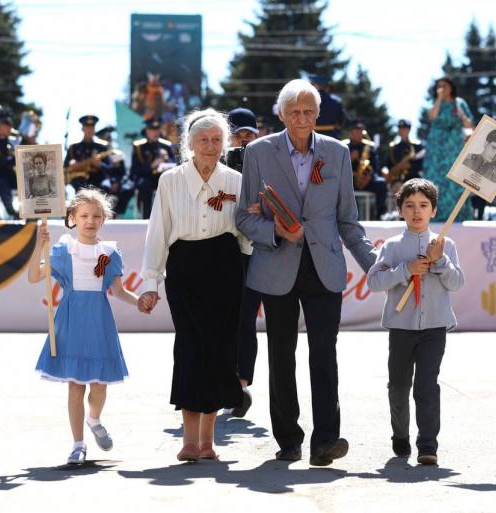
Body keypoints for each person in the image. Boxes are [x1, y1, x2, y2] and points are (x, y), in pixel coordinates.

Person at [236, 78, 377, 466]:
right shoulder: (258, 152)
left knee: (324, 355)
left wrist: (375, 266)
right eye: (294, 112)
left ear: (318, 114)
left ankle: (325, 441)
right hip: (275, 265)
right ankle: (288, 439)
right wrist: (276, 231)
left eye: (309, 111)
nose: (302, 118)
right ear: (281, 114)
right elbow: (244, 218)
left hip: (324, 268)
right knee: (281, 356)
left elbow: (348, 220)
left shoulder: (337, 153)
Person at [138, 108, 254, 462]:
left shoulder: (236, 180)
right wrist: (150, 282)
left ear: (226, 143)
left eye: (217, 139)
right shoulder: (170, 180)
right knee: (191, 348)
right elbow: (158, 232)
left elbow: (246, 235)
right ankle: (189, 440)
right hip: (185, 269)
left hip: (226, 267)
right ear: (189, 143)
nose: (210, 145)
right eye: (203, 139)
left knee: (221, 349)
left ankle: (207, 441)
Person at [28, 188, 139, 465]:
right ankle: (78, 444)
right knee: (76, 386)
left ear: (104, 219)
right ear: (73, 218)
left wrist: (140, 302)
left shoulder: (109, 252)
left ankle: (94, 419)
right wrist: (38, 246)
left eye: (96, 216)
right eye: (84, 215)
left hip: (99, 322)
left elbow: (119, 291)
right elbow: (34, 276)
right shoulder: (62, 250)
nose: (90, 221)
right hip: (71, 322)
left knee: (99, 386)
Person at [367, 178, 464, 465]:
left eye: (423, 205)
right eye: (409, 205)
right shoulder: (392, 246)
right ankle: (400, 435)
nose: (417, 211)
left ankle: (427, 444)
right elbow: (374, 281)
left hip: (435, 326)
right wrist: (405, 270)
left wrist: (440, 261)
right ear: (400, 211)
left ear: (434, 210)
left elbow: (457, 283)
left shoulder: (446, 245)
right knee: (398, 386)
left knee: (426, 385)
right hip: (401, 327)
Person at [221, 106, 261, 418]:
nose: (244, 139)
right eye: (238, 134)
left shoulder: (265, 159)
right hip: (221, 249)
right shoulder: (215, 162)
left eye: (249, 134)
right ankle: (223, 380)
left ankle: (242, 385)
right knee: (221, 322)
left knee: (246, 319)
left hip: (253, 249)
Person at [422, 77, 474, 222]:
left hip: (454, 146)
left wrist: (461, 114)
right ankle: (435, 216)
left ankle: (458, 216)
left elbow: (470, 125)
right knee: (435, 179)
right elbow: (432, 116)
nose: (441, 88)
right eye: (439, 86)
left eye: (444, 85)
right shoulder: (435, 103)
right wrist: (439, 98)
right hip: (436, 147)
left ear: (451, 87)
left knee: (455, 179)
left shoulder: (459, 103)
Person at [131, 117, 175, 219]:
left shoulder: (166, 145)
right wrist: (152, 165)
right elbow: (135, 170)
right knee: (144, 185)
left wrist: (167, 159)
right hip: (146, 178)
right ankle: (147, 218)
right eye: (152, 129)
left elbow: (174, 165)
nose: (155, 132)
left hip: (162, 177)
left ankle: (171, 218)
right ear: (146, 131)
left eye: (157, 129)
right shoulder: (138, 146)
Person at [344, 119, 388, 218]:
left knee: (381, 183)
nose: (358, 133)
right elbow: (337, 168)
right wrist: (350, 159)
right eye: (355, 130)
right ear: (350, 132)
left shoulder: (369, 147)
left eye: (360, 130)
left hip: (367, 180)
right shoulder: (343, 146)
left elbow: (375, 167)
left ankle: (379, 215)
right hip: (349, 181)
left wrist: (369, 177)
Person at [64, 115, 112, 191]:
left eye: (92, 127)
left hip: (98, 185)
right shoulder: (73, 147)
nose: (89, 129)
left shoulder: (102, 147)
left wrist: (100, 164)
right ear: (82, 128)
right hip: (79, 185)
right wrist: (71, 164)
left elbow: (110, 169)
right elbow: (65, 168)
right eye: (87, 127)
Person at [95, 125, 133, 218]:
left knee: (128, 188)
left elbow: (122, 172)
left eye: (109, 138)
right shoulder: (97, 155)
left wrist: (116, 182)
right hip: (102, 181)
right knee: (103, 187)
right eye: (105, 138)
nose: (108, 140)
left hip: (118, 181)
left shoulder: (117, 153)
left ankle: (118, 212)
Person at [383, 119, 425, 186]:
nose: (401, 130)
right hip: (396, 180)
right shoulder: (393, 147)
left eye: (404, 128)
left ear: (409, 130)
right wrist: (394, 169)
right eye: (400, 128)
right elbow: (388, 164)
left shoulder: (417, 146)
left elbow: (421, 164)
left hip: (414, 179)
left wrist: (410, 165)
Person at [309, 75, 347, 140]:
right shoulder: (337, 101)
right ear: (327, 87)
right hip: (332, 135)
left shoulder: (308, 101)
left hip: (312, 136)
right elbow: (343, 119)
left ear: (316, 86)